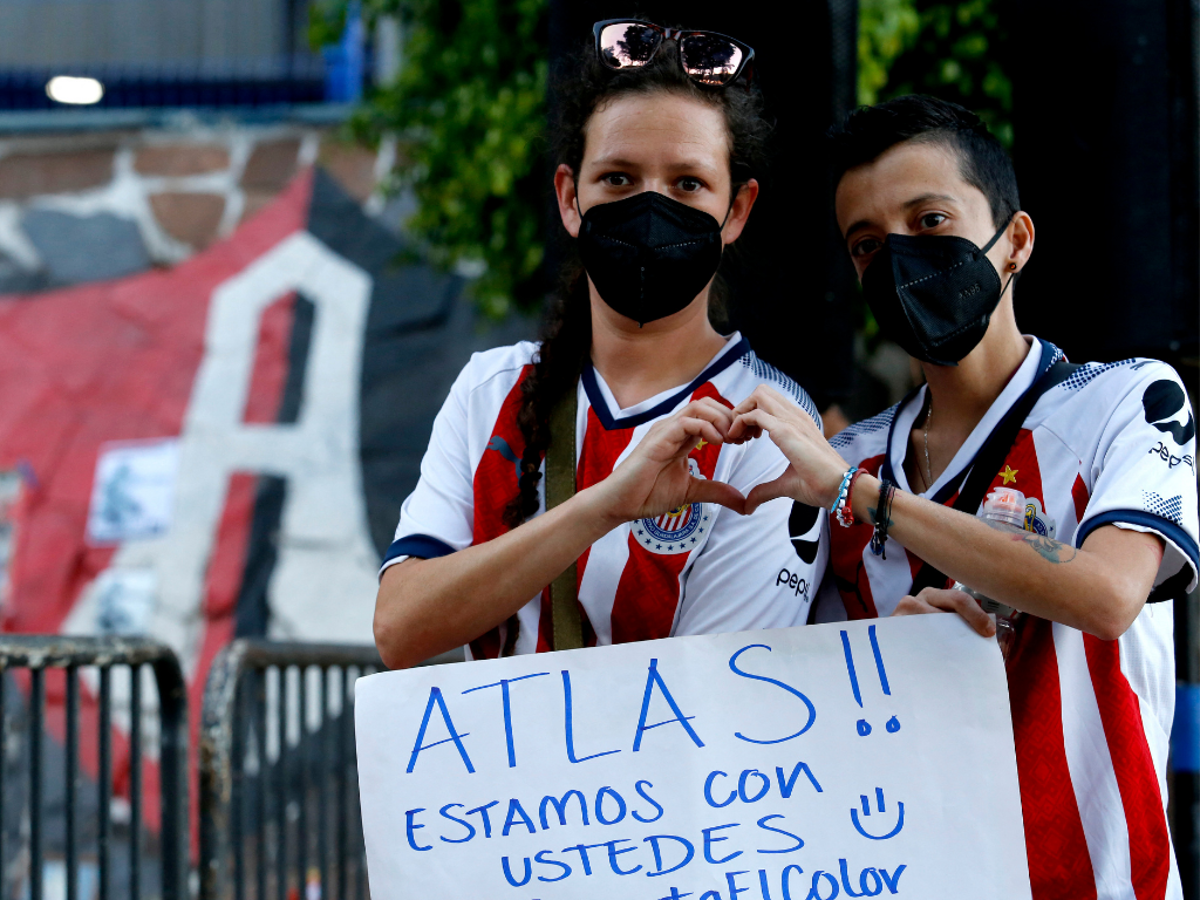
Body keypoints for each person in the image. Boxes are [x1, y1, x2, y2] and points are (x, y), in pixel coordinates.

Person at [726, 95, 1198, 899]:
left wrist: (865, 498)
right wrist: (886, 669)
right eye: (868, 245)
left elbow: (1109, 593)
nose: (901, 261)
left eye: (931, 222)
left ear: (1014, 242)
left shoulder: (1130, 400)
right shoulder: (842, 459)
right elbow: (796, 721)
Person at [373, 20, 826, 670]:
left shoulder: (770, 429)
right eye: (618, 178)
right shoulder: (491, 390)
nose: (650, 207)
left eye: (687, 184)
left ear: (737, 211)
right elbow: (399, 628)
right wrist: (603, 507)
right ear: (569, 197)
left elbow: (718, 705)